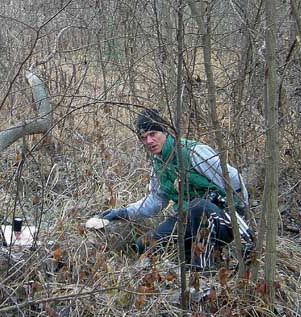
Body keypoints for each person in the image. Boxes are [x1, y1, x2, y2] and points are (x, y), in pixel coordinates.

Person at [99, 108, 253, 270]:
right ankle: (185, 262)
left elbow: (235, 181)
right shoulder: (158, 165)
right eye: (144, 138)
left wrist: (241, 216)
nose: (149, 141)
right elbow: (155, 201)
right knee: (143, 245)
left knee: (198, 207)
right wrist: (123, 212)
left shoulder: (194, 152)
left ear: (164, 131)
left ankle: (202, 274)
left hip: (225, 221)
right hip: (189, 219)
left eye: (153, 134)